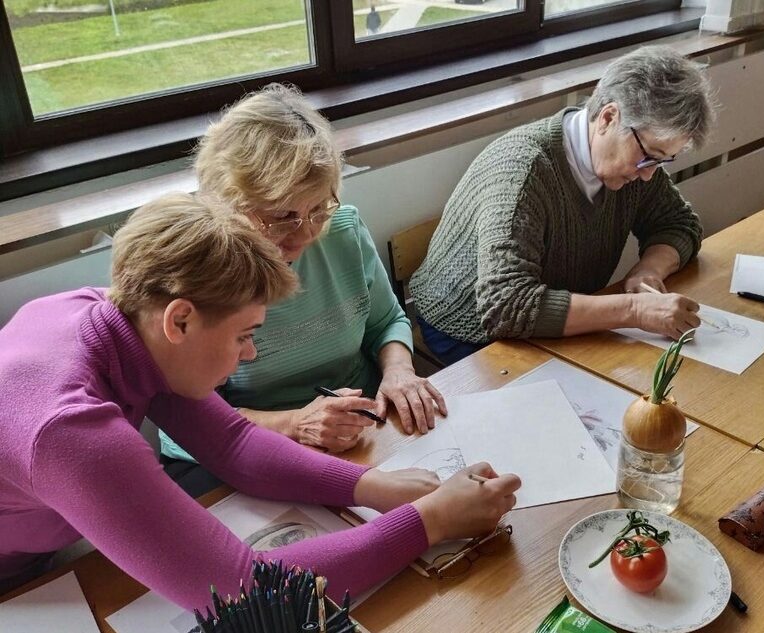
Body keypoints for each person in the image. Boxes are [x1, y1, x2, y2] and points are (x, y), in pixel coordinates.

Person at [0, 192, 521, 609]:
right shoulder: (72, 432)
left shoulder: (109, 318)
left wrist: (372, 485)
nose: (248, 355)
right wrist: (431, 521)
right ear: (179, 319)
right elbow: (243, 589)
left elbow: (232, 442)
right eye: (243, 335)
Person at [160, 84, 446, 494]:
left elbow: (386, 321)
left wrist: (399, 370)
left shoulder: (342, 231)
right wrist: (295, 424)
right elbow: (181, 425)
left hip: (357, 429)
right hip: (246, 447)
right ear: (227, 204)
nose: (305, 234)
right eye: (281, 217)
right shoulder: (191, 276)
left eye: (317, 210)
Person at [410, 46, 716, 365]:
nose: (650, 173)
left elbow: (679, 224)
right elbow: (507, 307)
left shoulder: (634, 166)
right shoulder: (524, 171)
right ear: (609, 118)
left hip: (541, 320)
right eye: (649, 155)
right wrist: (634, 310)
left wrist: (649, 269)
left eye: (664, 160)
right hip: (469, 330)